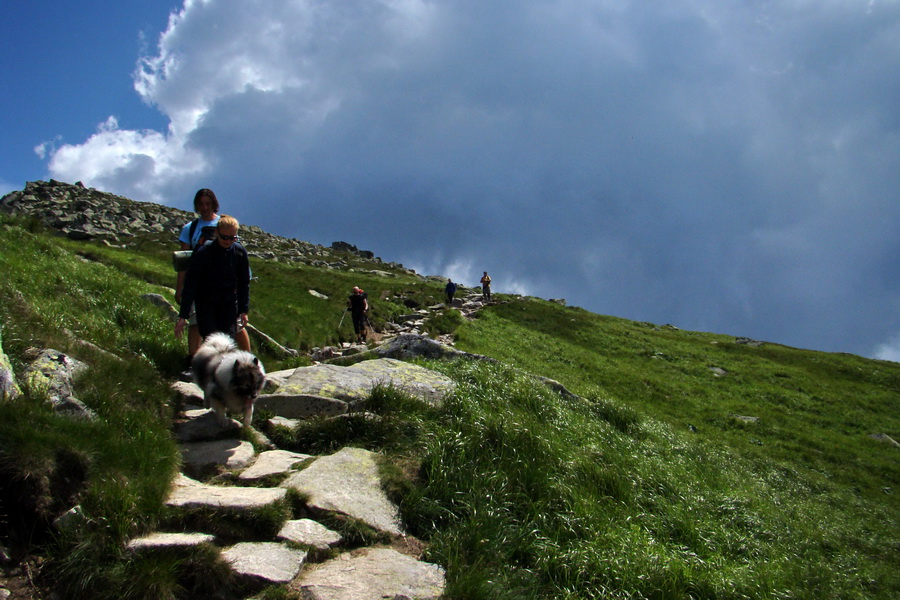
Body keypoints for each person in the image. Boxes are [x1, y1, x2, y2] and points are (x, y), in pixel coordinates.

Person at [175, 189, 251, 358]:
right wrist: (183, 315)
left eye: (233, 238)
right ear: (217, 234)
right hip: (206, 303)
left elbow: (244, 282)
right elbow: (191, 282)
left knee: (228, 341)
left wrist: (244, 309)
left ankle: (241, 367)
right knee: (211, 339)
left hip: (228, 304)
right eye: (225, 238)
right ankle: (198, 365)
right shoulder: (203, 251)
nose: (229, 242)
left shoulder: (239, 252)